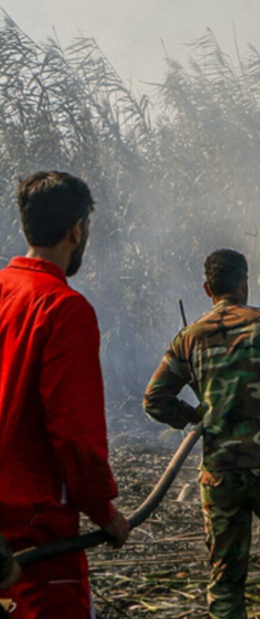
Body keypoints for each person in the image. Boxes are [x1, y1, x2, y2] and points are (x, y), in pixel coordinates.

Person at [144, 248, 260, 619]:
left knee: (225, 574)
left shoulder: (188, 338)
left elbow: (154, 400)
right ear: (244, 282)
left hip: (223, 472)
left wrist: (194, 414)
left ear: (208, 289)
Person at [0, 171, 131, 619]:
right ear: (77, 230)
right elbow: (74, 436)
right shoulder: (63, 308)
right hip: (37, 539)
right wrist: (104, 511)